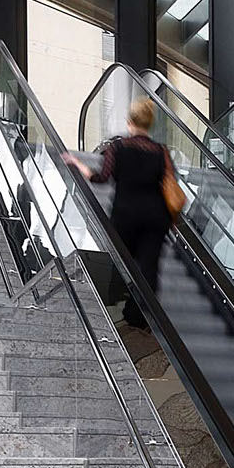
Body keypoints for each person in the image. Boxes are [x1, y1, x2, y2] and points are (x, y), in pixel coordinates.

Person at [66, 96, 176, 329]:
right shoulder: (160, 151)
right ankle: (141, 318)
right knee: (149, 268)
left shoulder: (117, 147)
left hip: (126, 214)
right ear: (149, 123)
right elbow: (170, 183)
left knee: (121, 263)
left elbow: (101, 178)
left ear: (129, 122)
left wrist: (80, 165)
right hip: (155, 217)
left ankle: (115, 309)